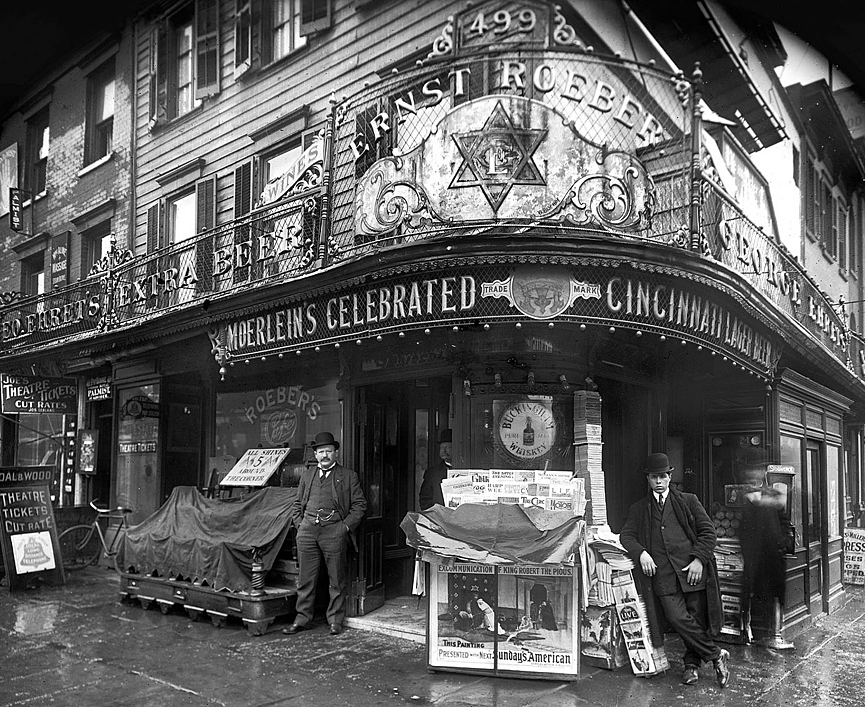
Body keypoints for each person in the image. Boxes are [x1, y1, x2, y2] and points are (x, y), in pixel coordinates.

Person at [620, 452, 730, 688]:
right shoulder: (640, 509)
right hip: (663, 578)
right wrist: (641, 552)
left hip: (692, 572)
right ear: (647, 479)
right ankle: (716, 655)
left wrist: (699, 560)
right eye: (653, 477)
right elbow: (626, 536)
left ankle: (691, 666)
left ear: (670, 477)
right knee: (677, 618)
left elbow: (709, 532)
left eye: (662, 476)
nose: (658, 481)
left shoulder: (688, 501)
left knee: (696, 621)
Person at [283, 431, 366, 637]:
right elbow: (296, 504)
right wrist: (301, 525)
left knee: (336, 579)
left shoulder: (347, 476)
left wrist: (344, 528)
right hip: (308, 531)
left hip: (334, 532)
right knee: (305, 579)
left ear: (336, 453)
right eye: (321, 452)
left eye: (328, 451)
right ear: (316, 455)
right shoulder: (307, 475)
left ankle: (335, 621)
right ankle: (302, 619)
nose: (325, 455)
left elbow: (359, 505)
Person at [739, 457, 795, 650]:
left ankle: (775, 635)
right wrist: (750, 555)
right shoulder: (746, 498)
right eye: (751, 471)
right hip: (756, 559)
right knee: (757, 594)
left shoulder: (771, 494)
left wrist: (784, 542)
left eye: (757, 470)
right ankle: (755, 634)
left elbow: (784, 520)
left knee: (775, 596)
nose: (754, 474)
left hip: (774, 557)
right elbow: (744, 532)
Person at [418, 428, 452, 510]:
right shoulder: (432, 473)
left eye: (448, 447)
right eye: (441, 447)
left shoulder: (466, 469)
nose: (444, 450)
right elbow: (425, 498)